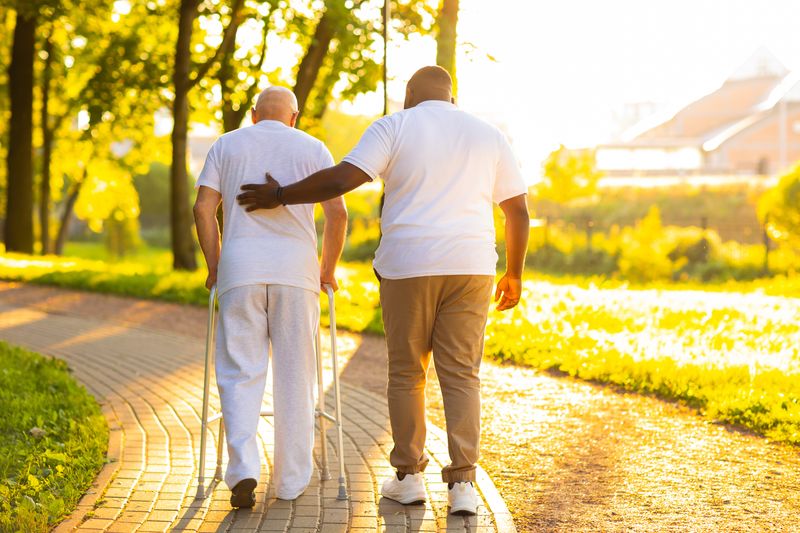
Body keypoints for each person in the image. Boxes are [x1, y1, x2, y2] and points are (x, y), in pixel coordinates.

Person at [236, 66, 530, 516]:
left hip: (408, 266)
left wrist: (279, 196)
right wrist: (515, 274)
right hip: (471, 268)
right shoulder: (488, 134)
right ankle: (464, 485)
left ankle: (409, 478)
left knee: (407, 372)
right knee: (462, 373)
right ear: (452, 95)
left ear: (410, 94)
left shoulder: (395, 125)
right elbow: (518, 211)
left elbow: (340, 180)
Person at [193, 86, 347, 508]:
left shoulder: (227, 144)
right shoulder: (313, 147)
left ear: (256, 115)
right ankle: (292, 480)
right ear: (294, 117)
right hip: (295, 274)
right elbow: (338, 214)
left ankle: (242, 469)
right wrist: (327, 270)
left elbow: (203, 209)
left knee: (241, 372)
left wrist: (215, 265)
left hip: (240, 271)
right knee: (296, 375)